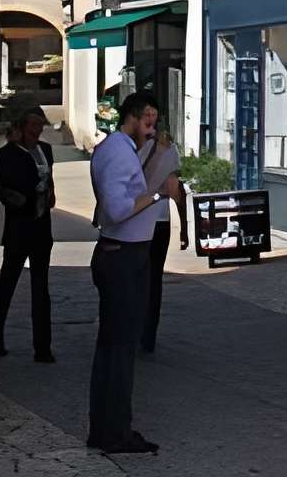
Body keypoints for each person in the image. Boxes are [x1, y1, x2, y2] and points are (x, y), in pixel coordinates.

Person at [87, 93, 179, 455]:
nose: (152, 126)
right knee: (120, 348)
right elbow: (117, 209)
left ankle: (105, 429)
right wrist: (157, 195)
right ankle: (115, 432)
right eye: (147, 119)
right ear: (130, 117)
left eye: (155, 119)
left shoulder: (123, 150)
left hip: (127, 253)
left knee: (114, 345)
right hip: (121, 256)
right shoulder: (117, 152)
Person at [0, 107, 56, 363]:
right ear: (21, 127)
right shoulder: (5, 155)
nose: (37, 131)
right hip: (18, 227)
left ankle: (43, 347)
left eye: (40, 125)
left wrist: (50, 193)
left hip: (41, 227)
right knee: (8, 283)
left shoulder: (46, 150)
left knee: (41, 288)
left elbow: (50, 180)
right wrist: (13, 197)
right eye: (33, 125)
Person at [139, 118, 188, 354]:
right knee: (154, 279)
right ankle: (148, 334)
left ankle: (133, 328)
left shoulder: (132, 148)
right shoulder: (169, 151)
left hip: (135, 221)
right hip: (159, 222)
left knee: (134, 277)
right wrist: (185, 229)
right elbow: (175, 189)